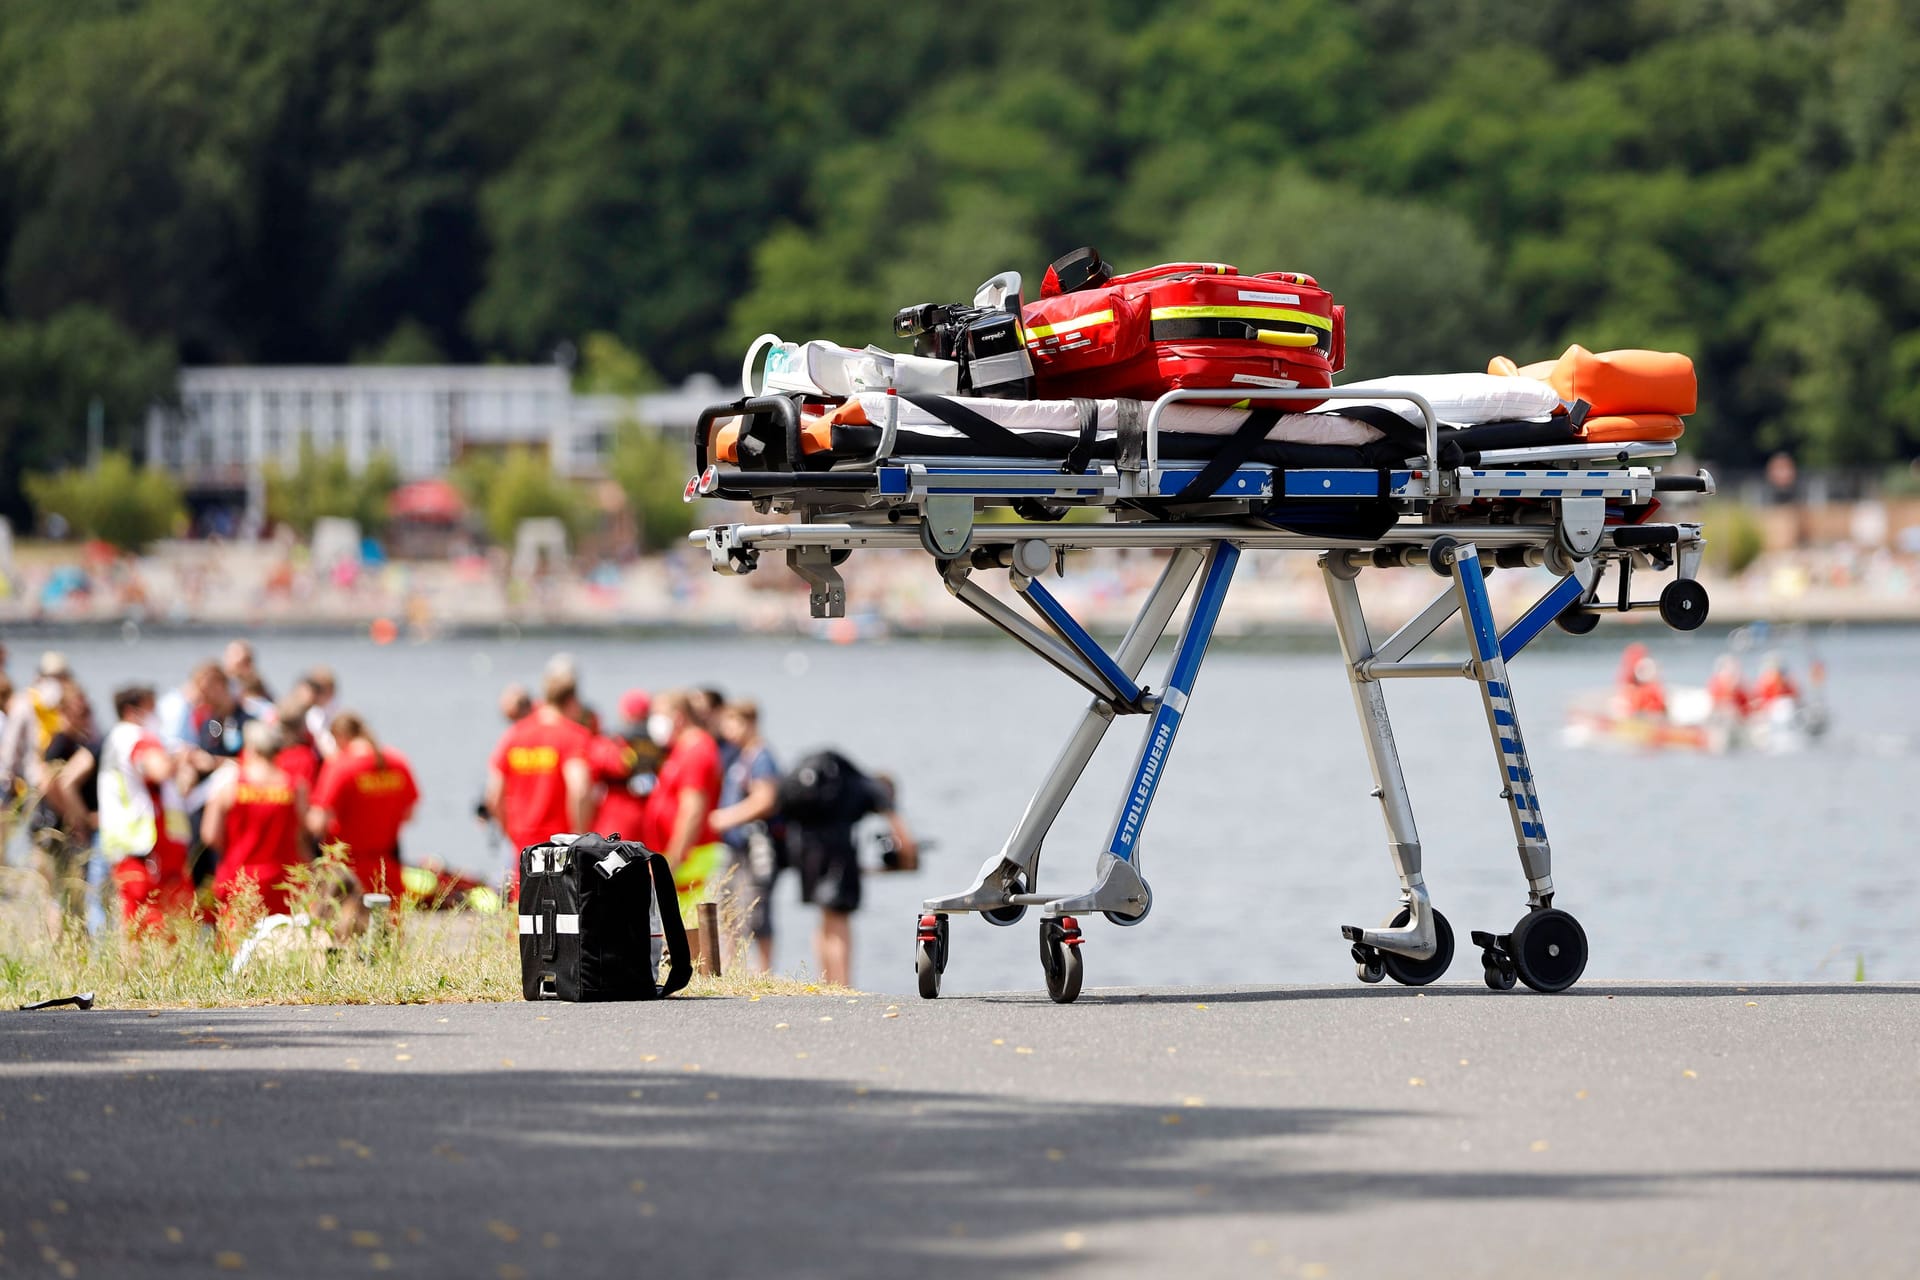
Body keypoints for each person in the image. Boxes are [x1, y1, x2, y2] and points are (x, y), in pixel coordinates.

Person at [777, 750, 911, 988]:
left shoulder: (835, 782)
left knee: (824, 920)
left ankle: (827, 983)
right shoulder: (874, 786)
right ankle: (843, 985)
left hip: (808, 852)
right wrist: (909, 860)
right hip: (839, 854)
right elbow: (902, 833)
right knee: (840, 921)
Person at [486, 664, 594, 895]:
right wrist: (579, 834)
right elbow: (581, 789)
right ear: (573, 700)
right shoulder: (573, 736)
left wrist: (510, 832)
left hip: (523, 839)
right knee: (563, 913)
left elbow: (493, 796)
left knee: (525, 909)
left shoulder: (514, 735)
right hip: (560, 840)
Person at [99, 684, 193, 931]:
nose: (157, 716)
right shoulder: (135, 736)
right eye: (152, 708)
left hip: (130, 846)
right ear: (133, 711)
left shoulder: (116, 738)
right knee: (155, 928)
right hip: (145, 848)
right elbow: (158, 769)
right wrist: (181, 756)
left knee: (135, 924)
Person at [306, 711, 418, 899]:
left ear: (339, 738)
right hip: (386, 867)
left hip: (345, 872)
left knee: (340, 927)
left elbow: (318, 823)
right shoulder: (397, 761)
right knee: (388, 925)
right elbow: (409, 815)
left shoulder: (340, 766)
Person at [202, 720, 307, 918]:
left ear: (251, 748)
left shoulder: (230, 785)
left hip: (240, 877)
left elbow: (209, 834)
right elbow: (302, 833)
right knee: (279, 943)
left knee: (235, 942)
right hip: (283, 879)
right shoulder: (295, 787)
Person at [643, 689, 724, 944]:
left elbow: (693, 810)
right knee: (677, 922)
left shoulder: (697, 749)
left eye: (659, 715)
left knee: (690, 925)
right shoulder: (681, 748)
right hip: (679, 854)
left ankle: (697, 975)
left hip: (691, 855)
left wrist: (674, 857)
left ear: (677, 717)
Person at [707, 701, 781, 973]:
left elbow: (765, 799)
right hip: (734, 847)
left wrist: (725, 817)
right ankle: (731, 967)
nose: (728, 729)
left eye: (734, 722)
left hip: (756, 847)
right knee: (728, 907)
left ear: (750, 722)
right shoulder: (739, 756)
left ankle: (764, 970)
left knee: (757, 910)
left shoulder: (761, 757)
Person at [32, 686, 102, 923]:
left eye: (88, 712)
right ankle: (61, 945)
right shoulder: (61, 742)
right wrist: (75, 818)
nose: (87, 717)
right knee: (63, 892)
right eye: (81, 712)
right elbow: (47, 783)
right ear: (66, 712)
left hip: (61, 827)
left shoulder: (73, 741)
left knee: (67, 892)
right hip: (59, 829)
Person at [588, 689, 657, 842]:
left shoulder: (612, 744)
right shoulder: (661, 744)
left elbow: (601, 768)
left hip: (617, 816)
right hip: (650, 816)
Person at [223, 640, 275, 721]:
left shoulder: (258, 686)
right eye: (241, 663)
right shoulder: (221, 686)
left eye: (247, 661)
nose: (244, 668)